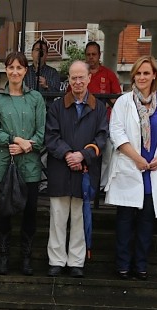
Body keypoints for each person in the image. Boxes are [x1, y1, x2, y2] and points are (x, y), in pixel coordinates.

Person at [104, 56, 157, 280]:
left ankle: (141, 265)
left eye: (146, 73)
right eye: (138, 73)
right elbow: (117, 132)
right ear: (133, 76)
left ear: (154, 75)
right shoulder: (123, 102)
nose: (142, 77)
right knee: (125, 221)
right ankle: (123, 265)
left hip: (154, 170)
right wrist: (136, 158)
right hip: (131, 167)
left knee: (147, 222)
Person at [44, 60, 109, 279]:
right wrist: (68, 154)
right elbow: (51, 136)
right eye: (74, 78)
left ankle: (76, 261)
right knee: (58, 217)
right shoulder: (56, 107)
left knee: (80, 218)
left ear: (89, 78)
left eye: (81, 77)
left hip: (85, 171)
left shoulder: (99, 108)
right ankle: (56, 260)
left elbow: (102, 138)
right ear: (69, 80)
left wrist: (83, 155)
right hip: (60, 169)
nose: (78, 82)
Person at [0, 51, 47, 276]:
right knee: (4, 211)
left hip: (29, 164)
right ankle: (3, 256)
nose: (15, 72)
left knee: (30, 212)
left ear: (25, 71)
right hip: (4, 163)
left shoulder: (36, 98)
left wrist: (25, 146)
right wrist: (15, 139)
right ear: (5, 70)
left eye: (19, 68)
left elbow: (42, 131)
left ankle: (26, 257)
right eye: (11, 67)